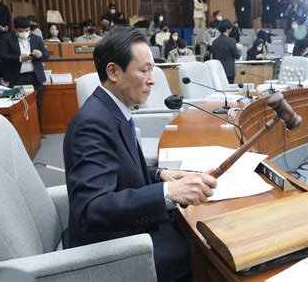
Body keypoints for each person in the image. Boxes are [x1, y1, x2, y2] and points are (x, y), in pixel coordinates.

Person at [62, 27, 217, 282]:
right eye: (143, 70)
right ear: (113, 71)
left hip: (128, 228)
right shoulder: (93, 123)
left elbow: (119, 172)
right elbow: (91, 210)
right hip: (113, 245)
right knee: (203, 251)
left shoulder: (112, 109)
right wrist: (168, 193)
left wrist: (161, 174)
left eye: (152, 70)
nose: (152, 79)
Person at [0, 16, 49, 122]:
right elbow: (1, 55)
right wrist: (19, 58)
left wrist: (40, 55)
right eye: (21, 31)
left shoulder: (36, 38)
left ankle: (37, 131)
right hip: (17, 77)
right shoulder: (6, 38)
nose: (25, 33)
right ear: (15, 29)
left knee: (37, 104)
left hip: (35, 77)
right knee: (19, 105)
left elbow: (46, 54)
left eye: (27, 30)